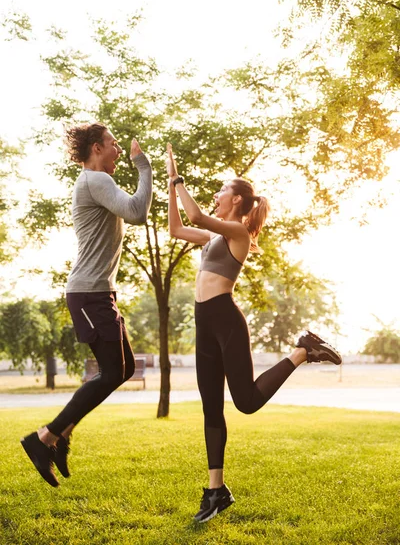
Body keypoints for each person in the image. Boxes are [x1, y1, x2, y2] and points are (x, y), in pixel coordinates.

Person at [166, 143, 342, 523]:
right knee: (211, 406)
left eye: (221, 191)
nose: (216, 195)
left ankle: (302, 351)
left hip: (226, 320)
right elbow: (177, 227)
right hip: (203, 322)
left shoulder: (235, 232)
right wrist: (169, 181)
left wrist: (178, 176)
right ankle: (216, 492)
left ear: (237, 201)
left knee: (245, 401)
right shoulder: (213, 238)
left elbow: (194, 212)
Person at [21, 122, 153, 487]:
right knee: (111, 372)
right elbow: (138, 212)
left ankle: (61, 435)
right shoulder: (96, 181)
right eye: (112, 145)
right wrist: (144, 166)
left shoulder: (96, 182)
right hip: (89, 293)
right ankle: (44, 438)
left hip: (99, 292)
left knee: (122, 370)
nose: (117, 152)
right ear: (96, 147)